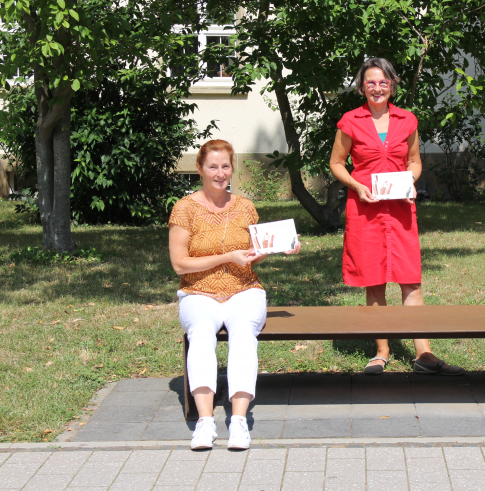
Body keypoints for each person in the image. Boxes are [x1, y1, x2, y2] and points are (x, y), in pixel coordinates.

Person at [329, 57, 464, 376]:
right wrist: (357, 185)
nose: (377, 88)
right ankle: (382, 350)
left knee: (410, 280)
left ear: (393, 85)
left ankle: (424, 353)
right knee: (373, 281)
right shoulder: (350, 121)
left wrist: (410, 182)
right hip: (365, 210)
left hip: (401, 210)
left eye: (383, 82)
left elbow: (415, 162)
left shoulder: (407, 120)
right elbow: (336, 164)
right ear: (362, 86)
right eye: (371, 82)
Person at [169, 139, 301, 450]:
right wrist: (227, 257)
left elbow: (253, 253)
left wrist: (278, 246)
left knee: (243, 334)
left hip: (244, 290)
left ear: (233, 168)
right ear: (200, 168)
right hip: (197, 291)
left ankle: (239, 421)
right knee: (201, 333)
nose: (219, 173)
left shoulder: (244, 207)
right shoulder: (185, 208)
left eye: (225, 166)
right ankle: (204, 422)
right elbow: (179, 263)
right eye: (212, 166)